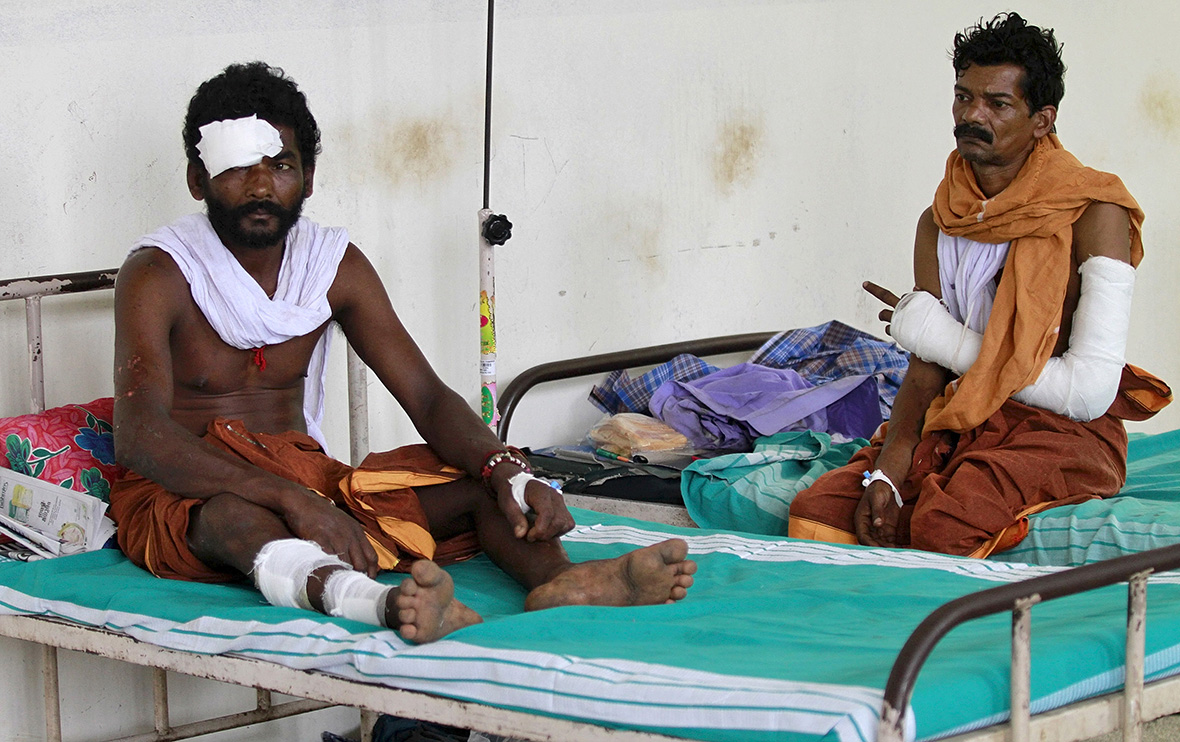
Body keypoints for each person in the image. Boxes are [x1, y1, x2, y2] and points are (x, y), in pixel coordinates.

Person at [110, 61, 695, 643]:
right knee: (236, 518)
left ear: (309, 178)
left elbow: (427, 396)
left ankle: (565, 581)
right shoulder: (159, 274)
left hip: (309, 480)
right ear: (197, 179)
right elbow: (140, 437)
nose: (261, 186)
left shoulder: (332, 268)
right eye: (237, 168)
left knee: (476, 481)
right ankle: (380, 604)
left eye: (281, 166)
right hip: (191, 495)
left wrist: (506, 469)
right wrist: (289, 500)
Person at [787, 13, 1171, 557]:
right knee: (819, 519)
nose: (972, 115)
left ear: (1042, 120)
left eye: (997, 103)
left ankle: (938, 636)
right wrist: (888, 474)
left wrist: (935, 334)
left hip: (1062, 428)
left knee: (943, 528)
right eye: (963, 97)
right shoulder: (940, 219)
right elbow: (927, 366)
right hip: (958, 409)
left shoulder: (1094, 212)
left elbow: (1088, 391)